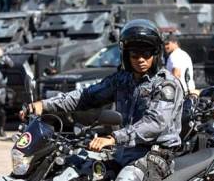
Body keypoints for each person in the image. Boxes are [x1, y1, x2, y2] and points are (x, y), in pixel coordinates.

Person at [20, 19, 184, 181]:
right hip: (123, 150)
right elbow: (86, 96)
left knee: (126, 178)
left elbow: (154, 123)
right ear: (127, 55)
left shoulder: (166, 85)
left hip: (156, 156)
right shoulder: (122, 80)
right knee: (77, 171)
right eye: (134, 54)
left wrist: (113, 138)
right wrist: (44, 105)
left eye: (146, 53)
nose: (140, 59)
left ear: (156, 54)